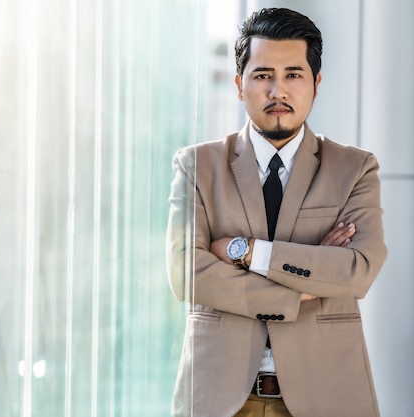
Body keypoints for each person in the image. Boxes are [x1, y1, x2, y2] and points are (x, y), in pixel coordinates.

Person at [166, 7, 387, 417]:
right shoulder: (197, 166)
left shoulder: (354, 169)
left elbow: (357, 269)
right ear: (239, 84)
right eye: (263, 75)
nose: (278, 91)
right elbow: (185, 274)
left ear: (316, 84)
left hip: (327, 396)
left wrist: (248, 252)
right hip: (219, 398)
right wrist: (308, 282)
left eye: (293, 75)